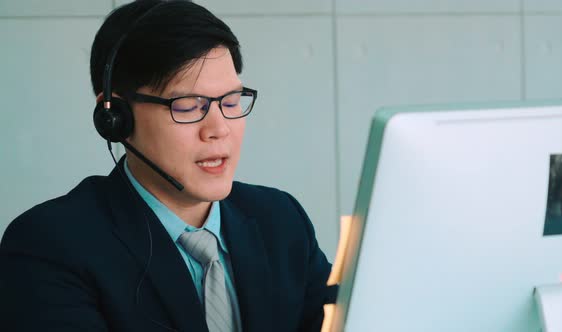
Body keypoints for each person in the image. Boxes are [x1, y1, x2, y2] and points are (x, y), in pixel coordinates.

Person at [0, 1, 334, 331]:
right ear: (114, 117)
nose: (219, 129)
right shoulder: (48, 247)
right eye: (189, 106)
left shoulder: (281, 221)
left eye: (231, 102)